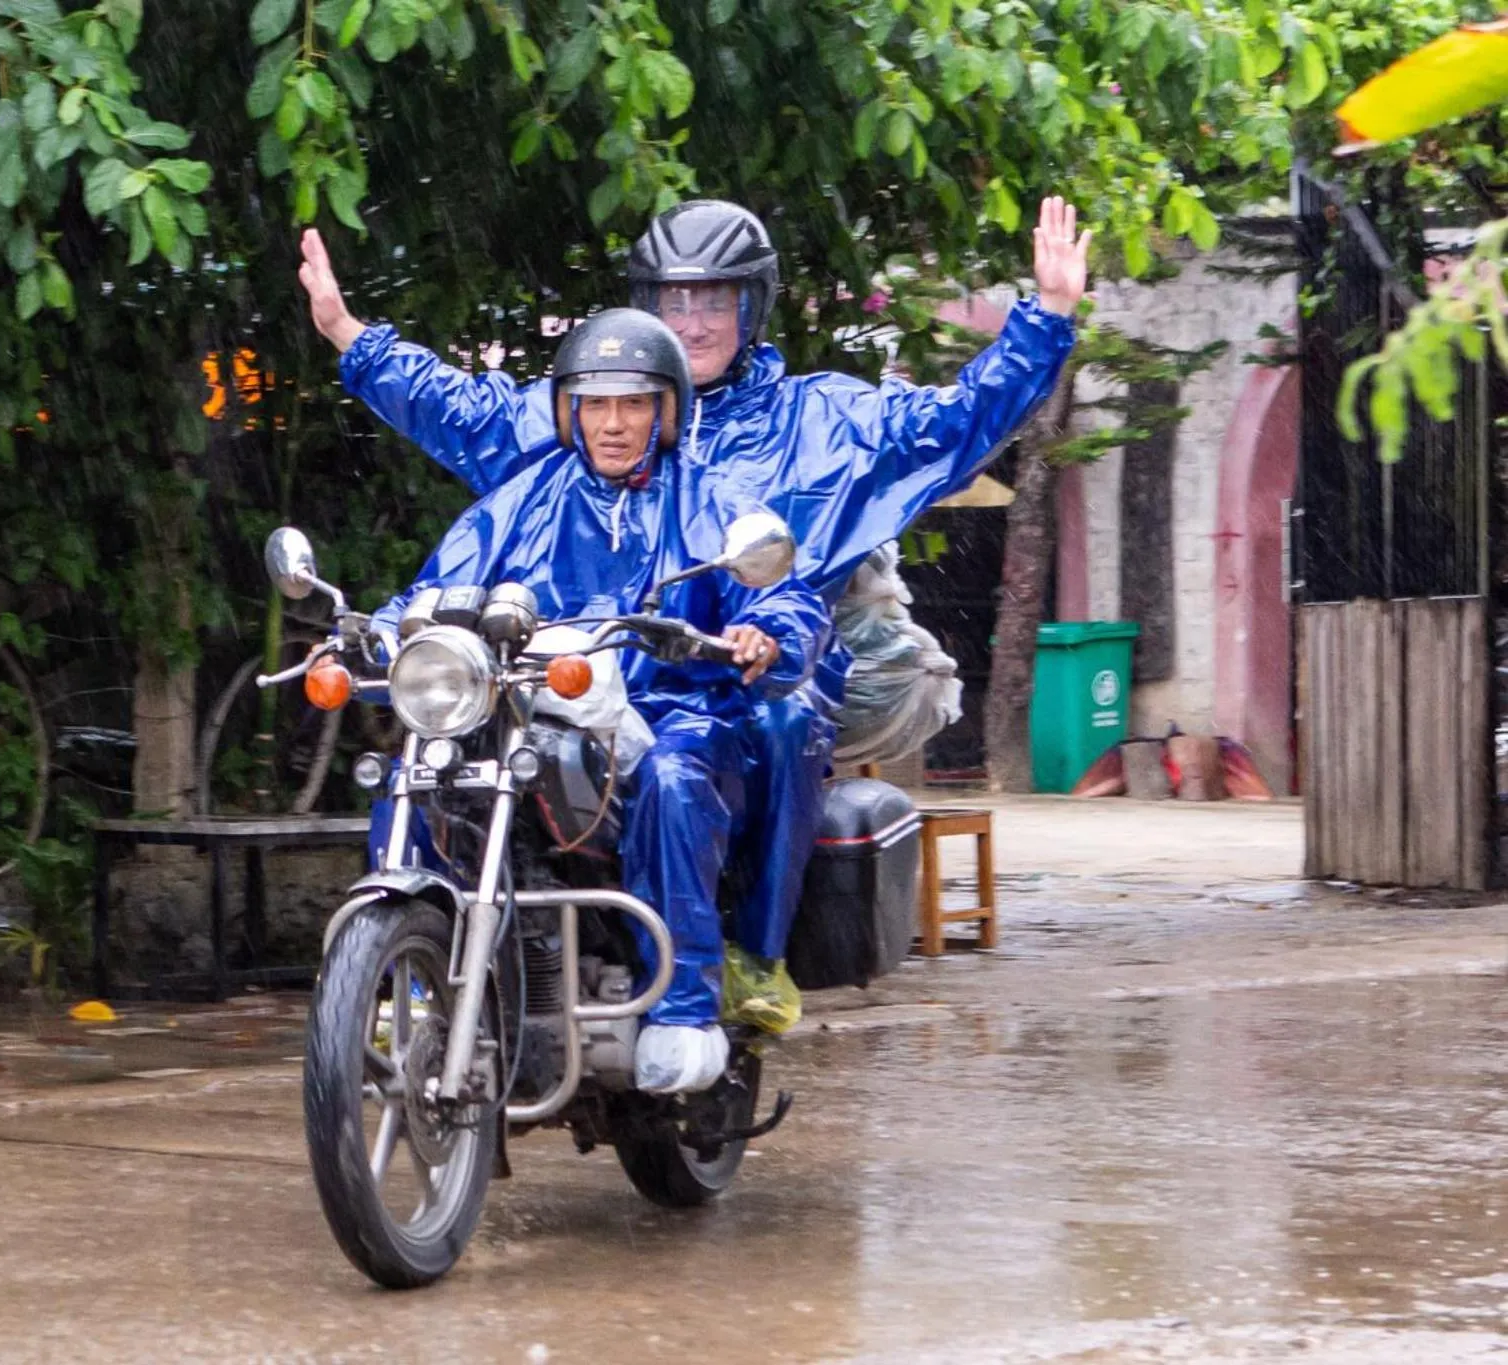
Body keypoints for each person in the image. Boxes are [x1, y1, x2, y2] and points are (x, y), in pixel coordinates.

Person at [306, 196, 1088, 1024]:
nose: (694, 319)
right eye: (674, 300)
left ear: (752, 304)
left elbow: (956, 422)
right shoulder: (600, 399)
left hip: (762, 659)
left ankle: (751, 956)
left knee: (774, 724)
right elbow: (459, 410)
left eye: (714, 298)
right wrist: (349, 335)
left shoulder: (825, 419)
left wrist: (1048, 316)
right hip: (599, 672)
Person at [371, 310, 826, 1095]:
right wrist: (374, 632)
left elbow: (789, 593)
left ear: (667, 409)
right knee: (417, 773)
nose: (613, 423)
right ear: (568, 411)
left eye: (634, 403)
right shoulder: (523, 500)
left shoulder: (713, 500)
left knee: (676, 782)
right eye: (594, 403)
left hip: (675, 716)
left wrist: (764, 631)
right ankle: (404, 981)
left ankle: (682, 1007)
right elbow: (432, 589)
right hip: (536, 713)